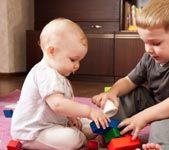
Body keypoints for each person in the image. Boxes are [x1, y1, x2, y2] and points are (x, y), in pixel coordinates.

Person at [92, 0, 169, 149]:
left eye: (155, 43)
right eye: (145, 42)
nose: (148, 49)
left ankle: (162, 146)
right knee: (132, 93)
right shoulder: (149, 57)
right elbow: (128, 81)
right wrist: (112, 92)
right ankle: (110, 130)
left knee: (166, 114)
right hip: (159, 107)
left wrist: (143, 116)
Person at [11, 18, 110, 150]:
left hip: (50, 124)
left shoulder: (58, 74)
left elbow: (63, 106)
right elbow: (58, 104)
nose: (77, 66)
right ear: (52, 51)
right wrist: (89, 111)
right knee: (72, 138)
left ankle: (90, 129)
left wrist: (72, 116)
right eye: (73, 59)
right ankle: (83, 137)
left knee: (87, 121)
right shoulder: (45, 73)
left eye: (79, 61)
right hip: (32, 133)